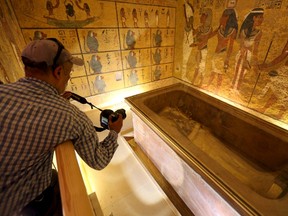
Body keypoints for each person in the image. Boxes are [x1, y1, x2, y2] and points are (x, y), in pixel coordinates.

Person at [0, 38, 123, 216]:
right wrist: (114, 131)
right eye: (68, 73)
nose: (68, 78)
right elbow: (99, 160)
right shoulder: (70, 117)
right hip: (26, 204)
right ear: (58, 72)